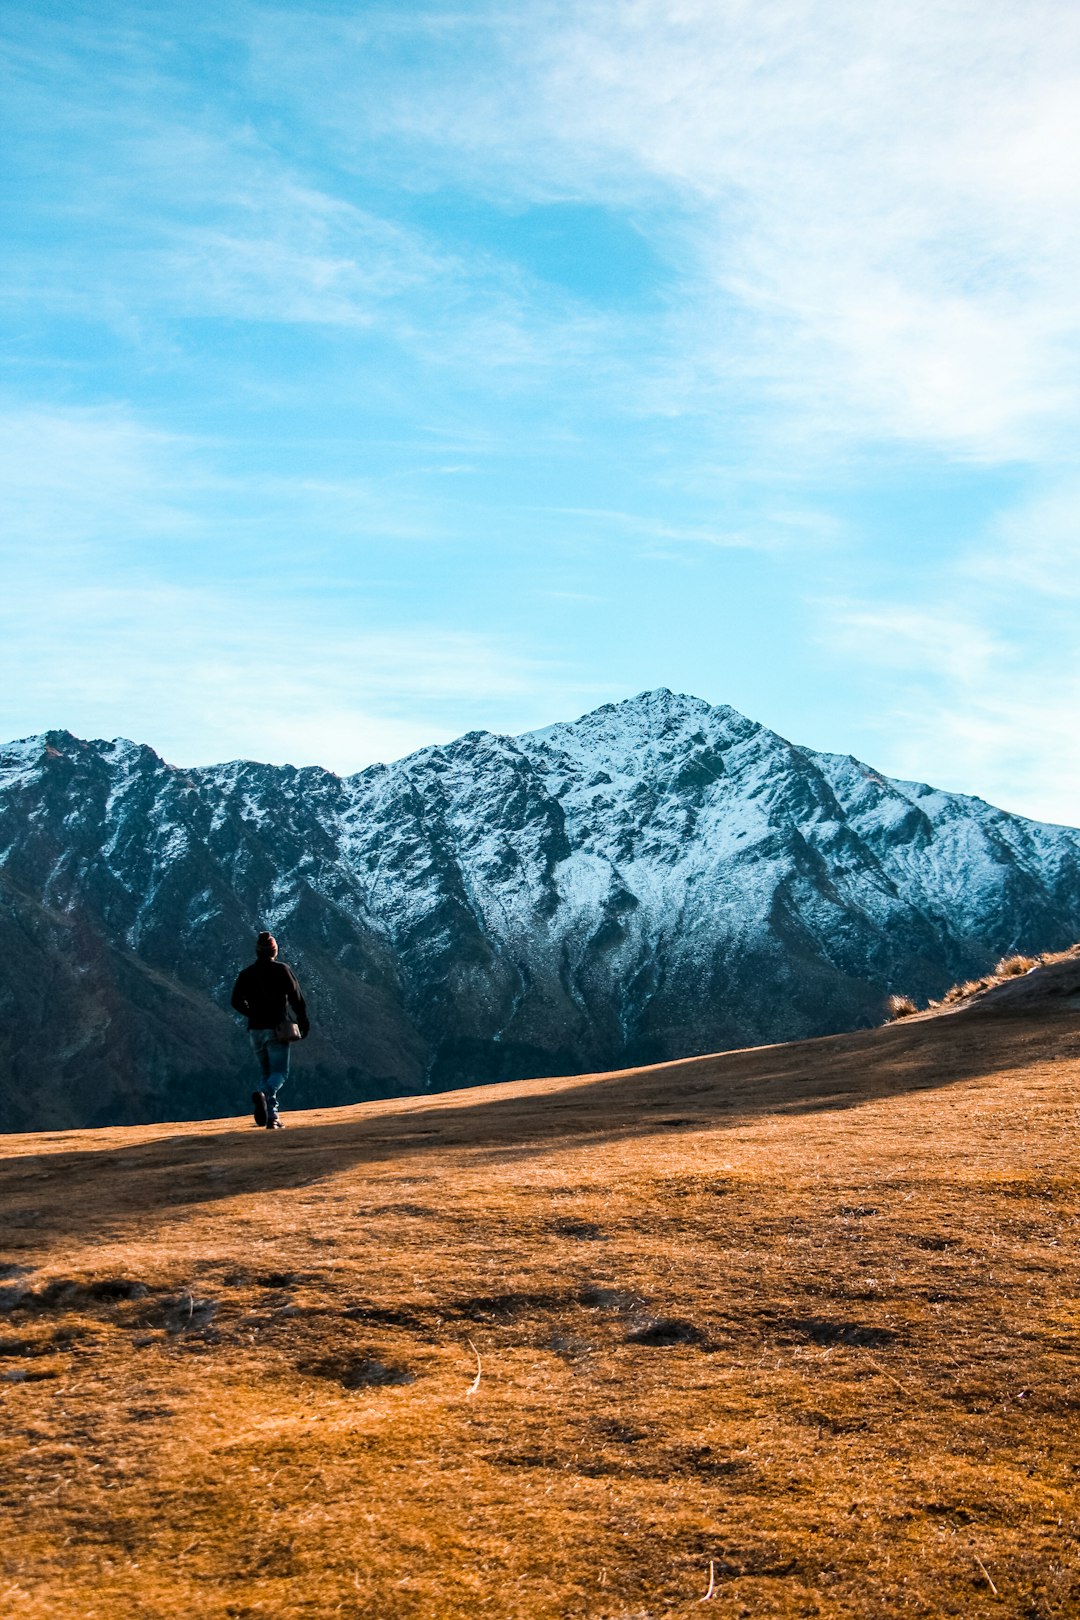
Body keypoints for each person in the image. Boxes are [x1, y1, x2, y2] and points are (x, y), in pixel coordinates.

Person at [230, 932, 310, 1129]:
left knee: (266, 1071)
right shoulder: (282, 970)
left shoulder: (246, 974)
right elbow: (296, 999)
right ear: (275, 950)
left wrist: (251, 1013)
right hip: (277, 1028)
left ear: (257, 951)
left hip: (255, 1030)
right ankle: (264, 1094)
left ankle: (271, 1117)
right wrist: (302, 1021)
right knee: (280, 1072)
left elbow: (235, 1001)